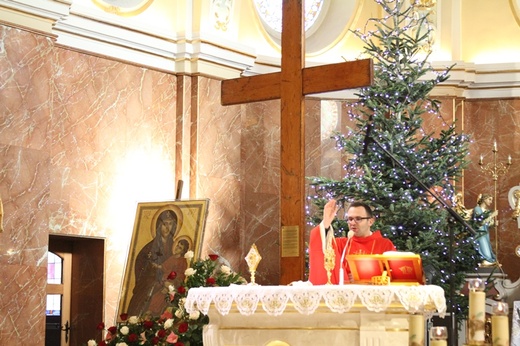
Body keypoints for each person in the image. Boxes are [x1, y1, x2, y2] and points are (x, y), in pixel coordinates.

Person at [308, 199, 396, 285]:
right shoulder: (341, 244)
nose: (353, 223)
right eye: (350, 219)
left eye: (358, 219)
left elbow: (394, 275)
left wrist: (365, 279)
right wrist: (326, 222)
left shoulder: (385, 245)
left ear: (370, 221)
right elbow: (321, 247)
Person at [127, 209, 179, 316]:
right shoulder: (149, 248)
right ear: (159, 226)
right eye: (164, 224)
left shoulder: (176, 248)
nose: (167, 228)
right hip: (150, 284)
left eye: (170, 224)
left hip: (168, 285)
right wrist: (158, 280)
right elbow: (141, 268)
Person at [473, 193, 498, 265]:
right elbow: (480, 222)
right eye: (489, 199)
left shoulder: (487, 211)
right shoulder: (477, 209)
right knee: (484, 250)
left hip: (485, 232)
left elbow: (488, 224)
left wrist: (493, 223)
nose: (491, 202)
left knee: (487, 248)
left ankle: (486, 261)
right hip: (479, 233)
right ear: (484, 199)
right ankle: (485, 261)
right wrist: (491, 216)